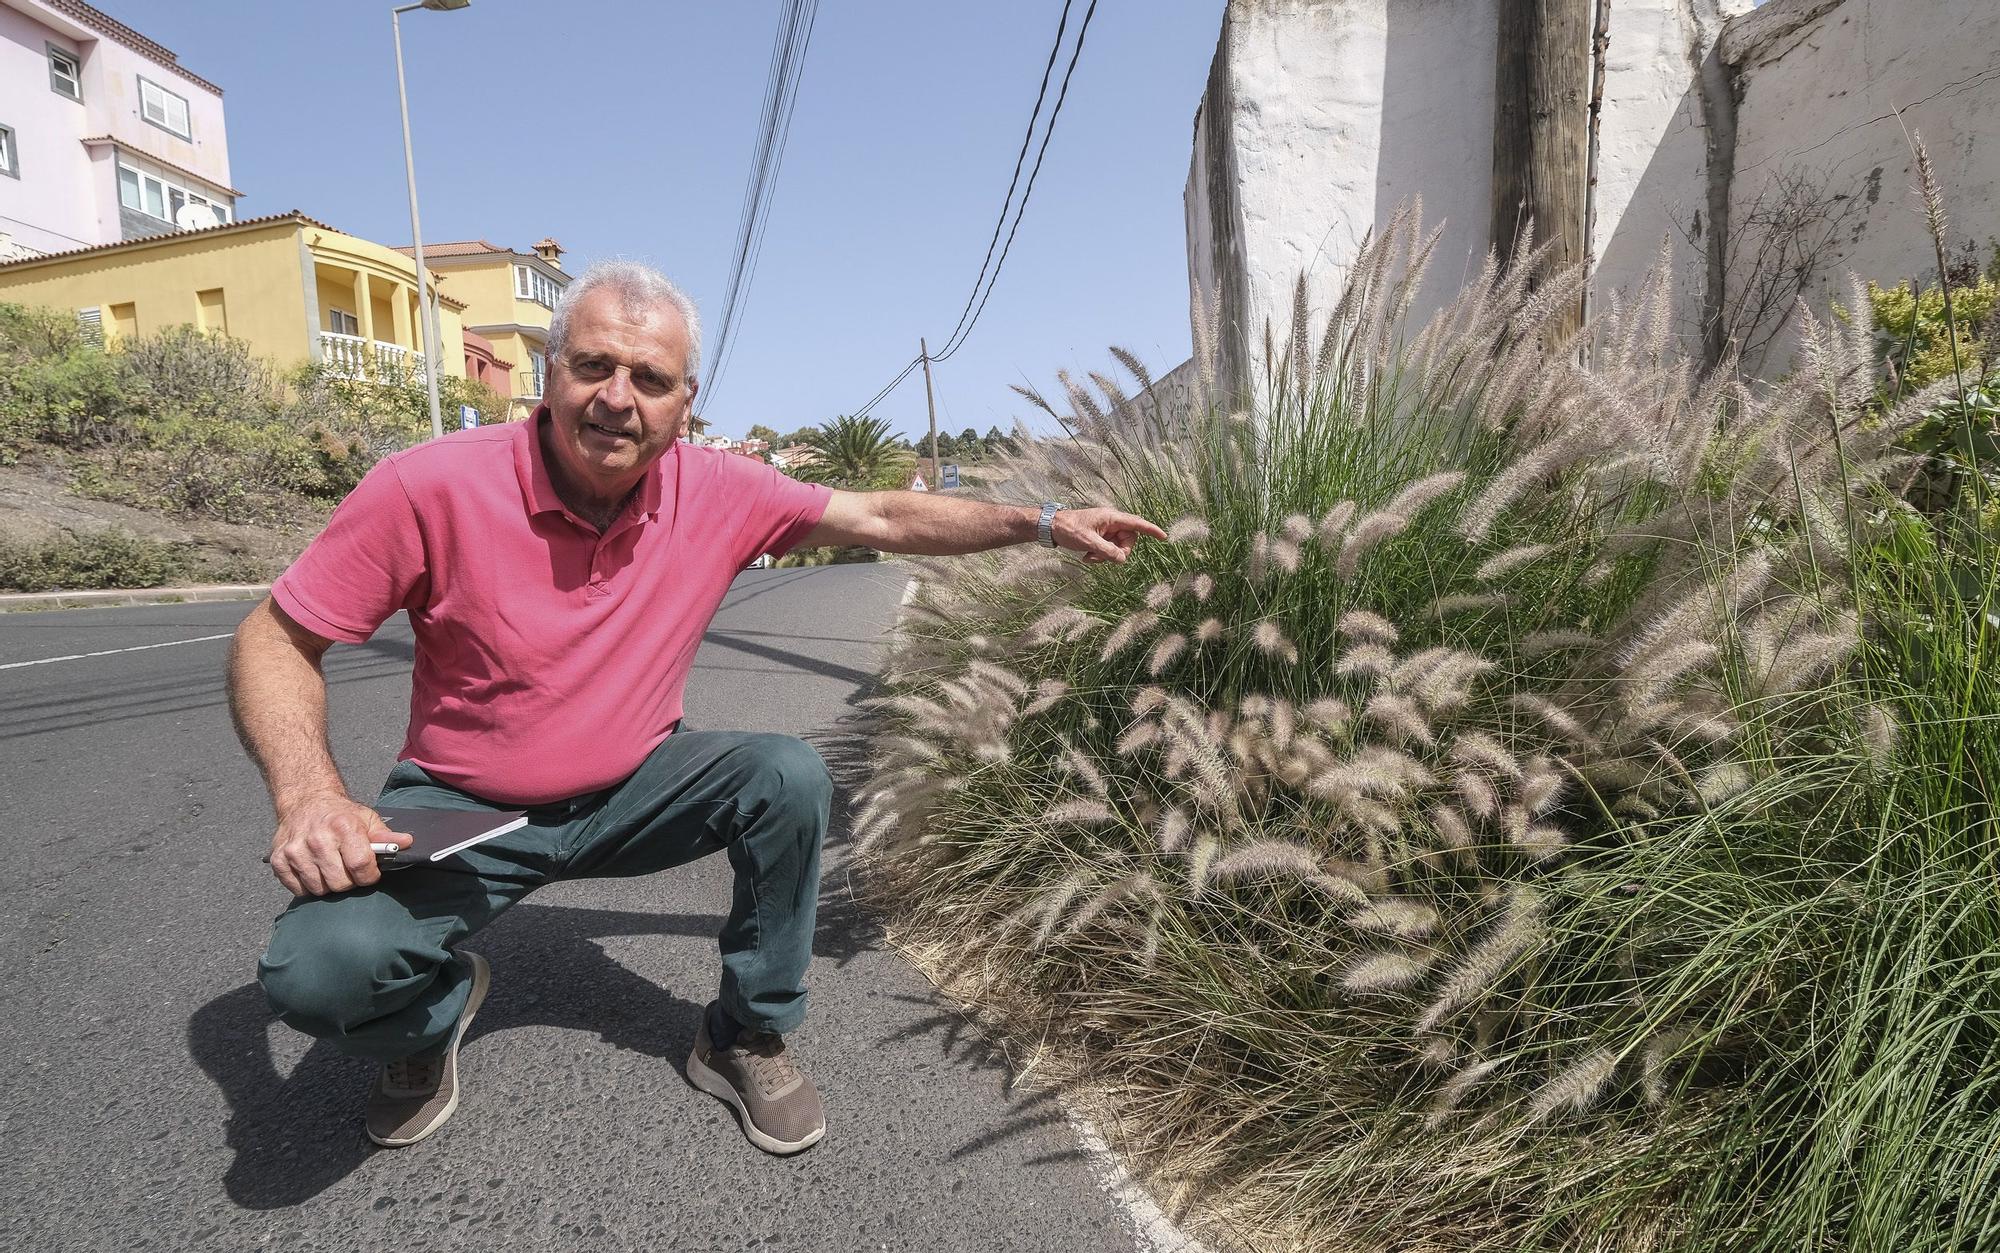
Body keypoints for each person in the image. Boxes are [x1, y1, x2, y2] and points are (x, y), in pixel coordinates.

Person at [227, 261, 1164, 1155]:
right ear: (550, 375)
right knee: (315, 972)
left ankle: (744, 1033)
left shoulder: (718, 488)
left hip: (638, 784)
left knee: (786, 775)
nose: (617, 396)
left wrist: (1040, 522)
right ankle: (429, 1012)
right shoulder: (428, 486)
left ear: (686, 402)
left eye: (650, 376)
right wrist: (309, 795)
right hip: (468, 805)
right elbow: (275, 636)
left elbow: (879, 515)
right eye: (593, 365)